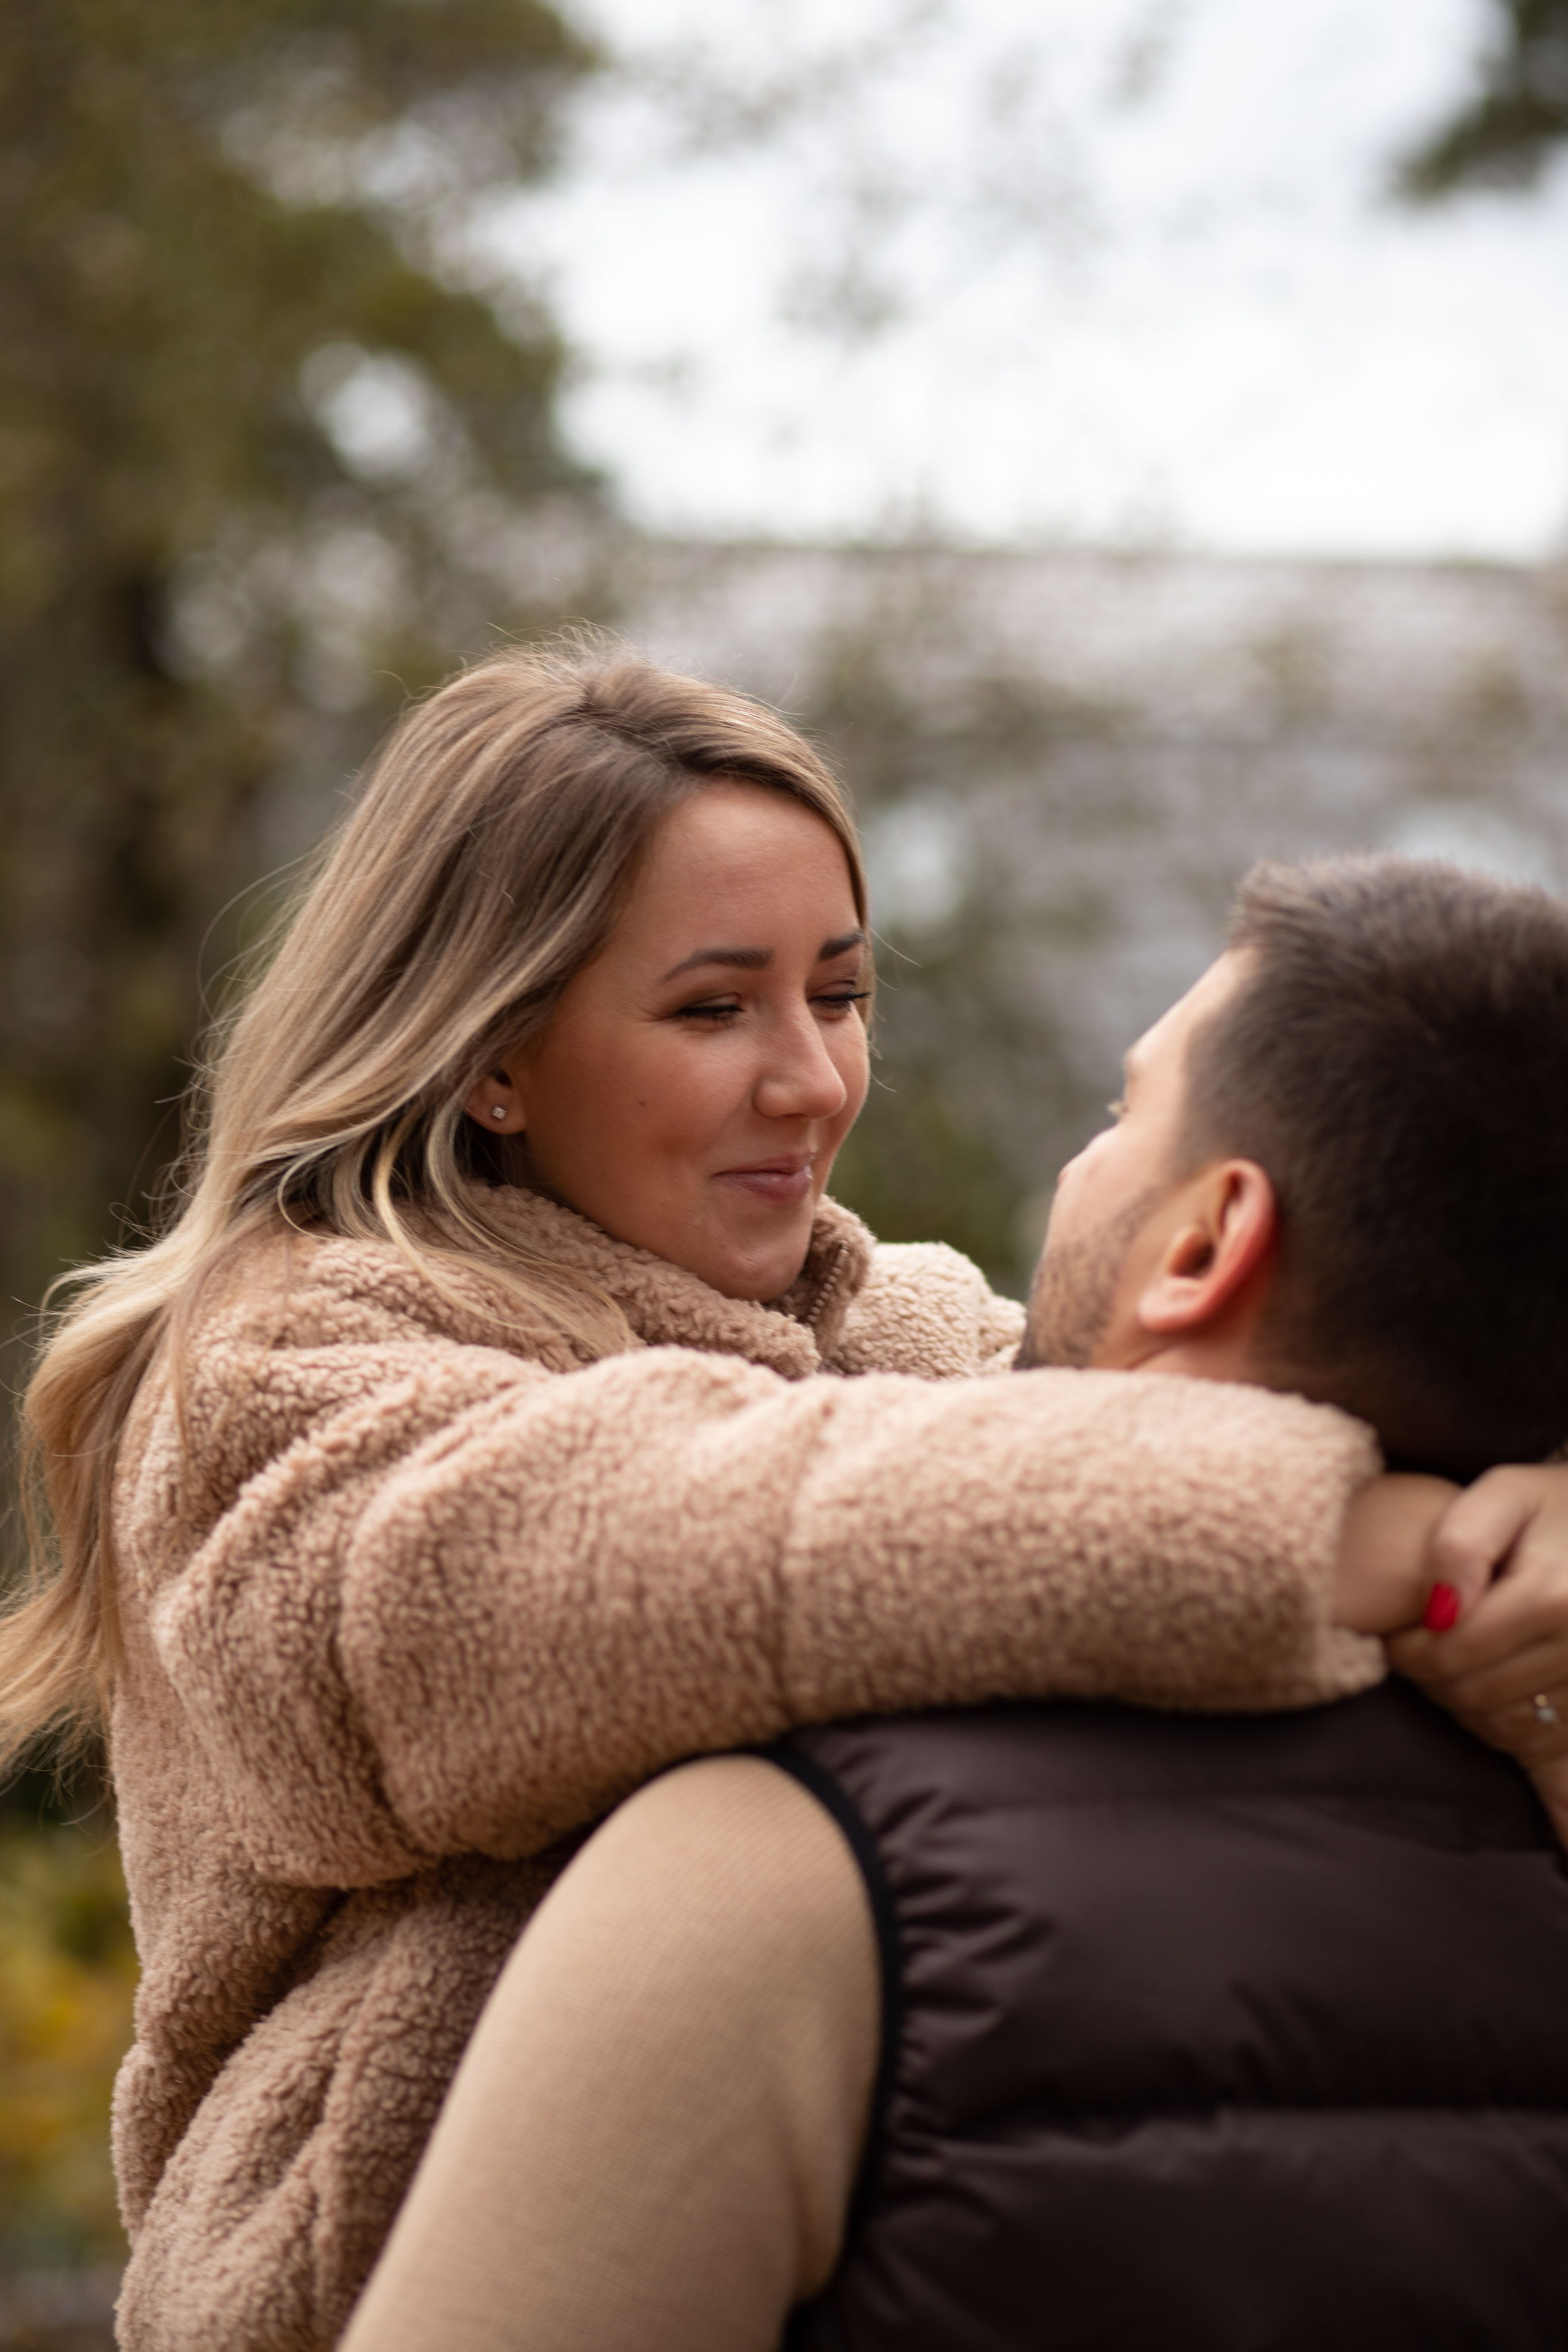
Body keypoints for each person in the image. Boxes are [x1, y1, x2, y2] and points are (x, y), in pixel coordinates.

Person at [2, 648, 1560, 2352]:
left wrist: (1525, 1529)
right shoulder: (288, 1365)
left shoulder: (897, 1328)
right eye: (711, 1007)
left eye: (839, 990)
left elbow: (1218, 1380)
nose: (812, 1079)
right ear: (494, 1056)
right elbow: (570, 1558)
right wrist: (1350, 1534)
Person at [339, 854, 1568, 2352]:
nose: (811, 1081)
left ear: (1200, 1249)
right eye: (716, 1005)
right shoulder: (1537, 1785)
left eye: (1123, 1116)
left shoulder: (765, 1875)